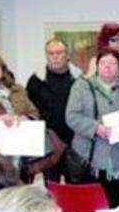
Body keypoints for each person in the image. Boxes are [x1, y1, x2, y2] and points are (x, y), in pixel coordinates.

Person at [65, 48, 119, 207]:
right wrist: (96, 128)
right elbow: (71, 116)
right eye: (103, 62)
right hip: (90, 160)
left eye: (113, 63)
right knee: (93, 211)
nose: (108, 66)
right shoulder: (82, 87)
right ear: (97, 66)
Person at [26, 39, 83, 182]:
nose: (55, 56)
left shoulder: (79, 79)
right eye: (51, 53)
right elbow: (30, 111)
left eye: (59, 53)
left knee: (75, 187)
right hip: (48, 144)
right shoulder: (36, 80)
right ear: (46, 55)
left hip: (74, 142)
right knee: (51, 190)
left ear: (67, 55)